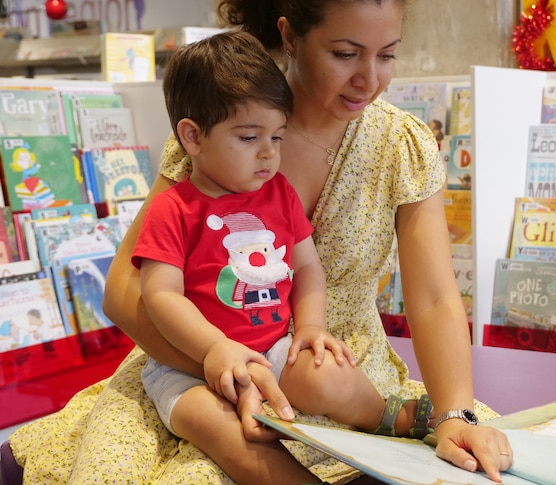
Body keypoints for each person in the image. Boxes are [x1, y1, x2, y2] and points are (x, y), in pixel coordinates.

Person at [8, 1, 512, 484]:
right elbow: (125, 290)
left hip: (331, 367)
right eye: (344, 53)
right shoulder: (217, 122)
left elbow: (434, 298)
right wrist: (227, 367)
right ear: (291, 35)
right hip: (192, 355)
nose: (369, 79)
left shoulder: (402, 144)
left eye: (387, 54)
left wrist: (454, 415)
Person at [135, 29, 431, 472]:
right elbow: (160, 295)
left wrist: (311, 327)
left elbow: (308, 268)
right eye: (249, 138)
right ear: (193, 137)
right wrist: (215, 350)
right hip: (188, 363)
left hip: (274, 347)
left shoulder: (278, 195)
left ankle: (387, 416)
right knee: (216, 426)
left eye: (277, 137)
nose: (268, 155)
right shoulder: (173, 208)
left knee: (327, 374)